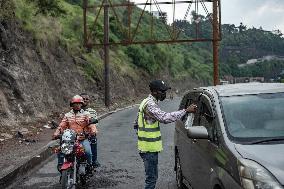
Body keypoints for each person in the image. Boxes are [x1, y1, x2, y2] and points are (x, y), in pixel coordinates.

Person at [134, 80, 197, 189]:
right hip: (149, 148)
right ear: (154, 92)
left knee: (152, 177)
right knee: (151, 179)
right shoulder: (150, 104)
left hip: (146, 147)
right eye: (162, 91)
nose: (164, 94)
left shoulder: (145, 102)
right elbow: (164, 118)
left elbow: (136, 123)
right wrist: (186, 111)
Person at [52, 95, 97, 172]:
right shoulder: (68, 115)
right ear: (72, 105)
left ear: (82, 104)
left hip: (82, 138)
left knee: (88, 152)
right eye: (75, 103)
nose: (77, 105)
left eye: (79, 103)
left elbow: (91, 124)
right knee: (61, 150)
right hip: (70, 139)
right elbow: (61, 126)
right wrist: (56, 133)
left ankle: (89, 166)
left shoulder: (86, 114)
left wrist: (93, 131)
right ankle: (60, 164)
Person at [80, 93, 101, 168]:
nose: (85, 100)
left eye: (86, 99)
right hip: (77, 133)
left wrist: (90, 131)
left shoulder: (92, 111)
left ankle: (94, 160)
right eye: (83, 99)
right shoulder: (74, 111)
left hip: (88, 133)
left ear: (89, 101)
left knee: (93, 139)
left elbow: (94, 124)